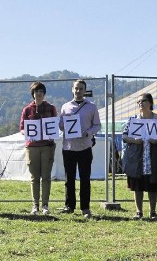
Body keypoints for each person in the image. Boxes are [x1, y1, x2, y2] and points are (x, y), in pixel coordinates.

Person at [122, 93, 157, 220]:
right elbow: (124, 136)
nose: (140, 104)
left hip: (153, 157)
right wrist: (134, 140)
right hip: (137, 158)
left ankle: (152, 212)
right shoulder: (133, 119)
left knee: (153, 185)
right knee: (138, 185)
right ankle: (139, 211)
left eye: (143, 101)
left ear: (150, 103)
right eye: (138, 102)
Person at [59, 79, 101, 219]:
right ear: (72, 89)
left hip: (85, 147)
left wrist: (88, 132)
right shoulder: (65, 107)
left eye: (81, 88)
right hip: (69, 147)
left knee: (85, 179)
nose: (78, 91)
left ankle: (85, 208)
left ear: (85, 90)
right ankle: (69, 206)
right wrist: (64, 124)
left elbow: (97, 126)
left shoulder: (92, 107)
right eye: (76, 88)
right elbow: (60, 125)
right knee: (69, 178)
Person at [20, 81, 57, 215]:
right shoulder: (27, 110)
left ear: (44, 93)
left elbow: (55, 125)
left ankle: (45, 205)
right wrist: (29, 134)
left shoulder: (51, 108)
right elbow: (22, 129)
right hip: (32, 147)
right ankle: (35, 205)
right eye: (36, 91)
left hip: (47, 146)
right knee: (34, 177)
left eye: (41, 91)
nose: (39, 94)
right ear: (33, 94)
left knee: (46, 177)